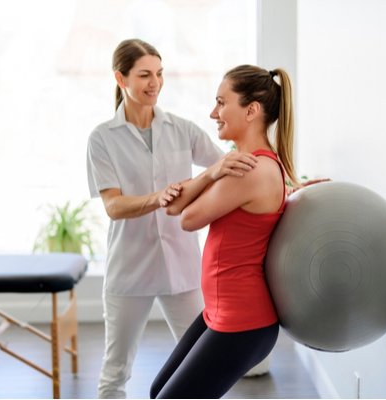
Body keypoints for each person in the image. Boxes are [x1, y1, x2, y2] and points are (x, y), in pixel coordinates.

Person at [86, 39, 259, 399]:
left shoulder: (181, 128)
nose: (155, 83)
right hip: (129, 269)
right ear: (121, 78)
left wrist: (293, 181)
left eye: (160, 74)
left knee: (201, 363)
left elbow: (229, 165)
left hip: (181, 267)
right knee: (115, 371)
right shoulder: (102, 139)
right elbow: (113, 206)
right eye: (145, 75)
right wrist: (157, 198)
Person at [149, 65, 329, 399]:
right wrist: (214, 170)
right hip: (221, 313)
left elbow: (188, 219)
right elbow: (172, 207)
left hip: (242, 322)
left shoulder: (248, 169)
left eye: (221, 102)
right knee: (158, 391)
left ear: (251, 110)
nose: (213, 113)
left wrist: (211, 173)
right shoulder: (243, 162)